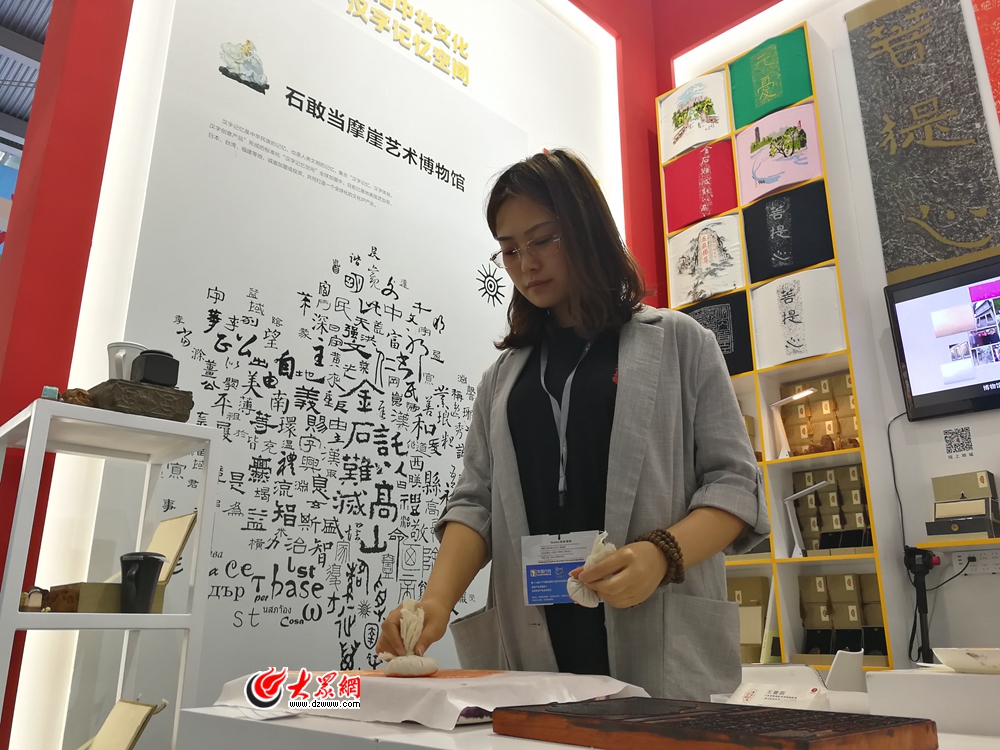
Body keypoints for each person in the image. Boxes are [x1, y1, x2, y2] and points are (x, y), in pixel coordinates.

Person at [377, 149, 768, 700]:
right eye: (509, 249)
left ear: (587, 230)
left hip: (652, 624)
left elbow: (734, 485)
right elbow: (476, 503)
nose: (526, 264)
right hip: (534, 634)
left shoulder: (682, 343)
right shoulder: (502, 378)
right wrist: (434, 602)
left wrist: (663, 554)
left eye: (542, 240)